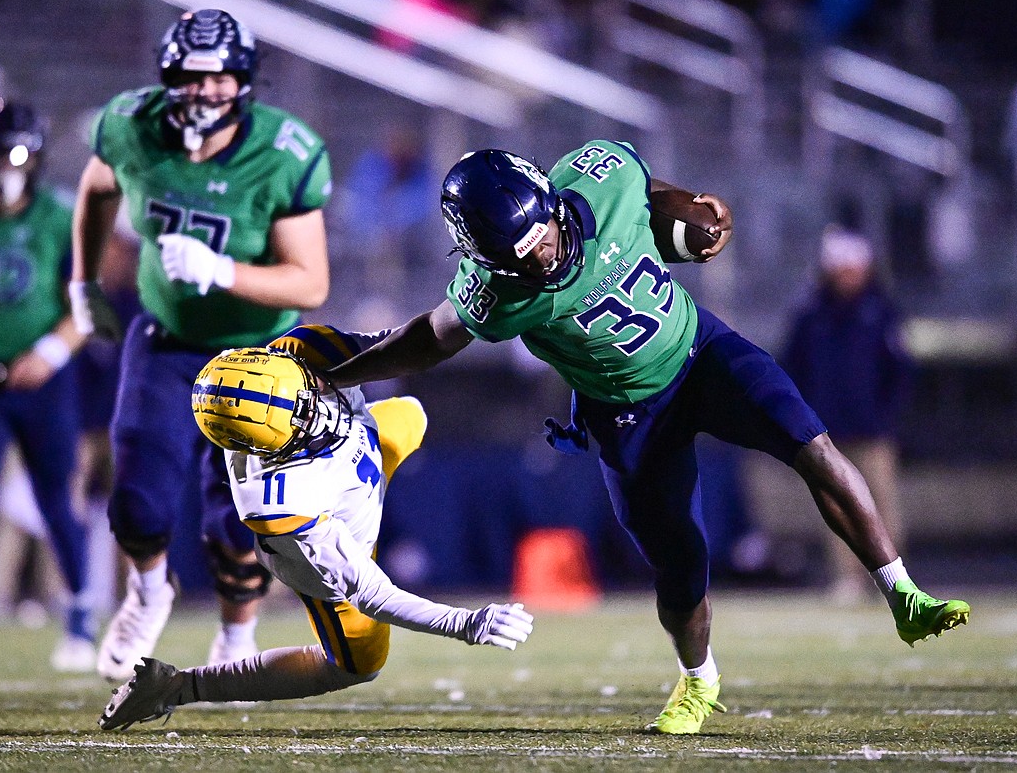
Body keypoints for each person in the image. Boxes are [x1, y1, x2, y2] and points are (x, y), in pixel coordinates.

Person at [308, 143, 970, 735]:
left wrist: (696, 213)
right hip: (626, 412)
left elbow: (649, 193)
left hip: (702, 352)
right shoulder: (494, 294)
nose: (544, 253)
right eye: (520, 253)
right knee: (680, 564)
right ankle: (699, 677)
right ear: (484, 258)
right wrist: (341, 371)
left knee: (813, 446)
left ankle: (903, 593)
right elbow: (428, 338)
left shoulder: (600, 177)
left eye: (544, 233)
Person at [68, 9, 333, 680]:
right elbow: (96, 186)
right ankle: (149, 590)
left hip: (260, 356)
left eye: (218, 77)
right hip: (167, 339)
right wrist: (83, 282)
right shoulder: (133, 126)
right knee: (135, 499)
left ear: (243, 81)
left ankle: (235, 635)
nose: (203, 90)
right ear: (167, 76)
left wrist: (224, 271)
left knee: (236, 522)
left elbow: (313, 280)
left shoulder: (281, 152)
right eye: (190, 75)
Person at [98, 335, 533, 729]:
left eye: (304, 391)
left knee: (411, 414)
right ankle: (180, 687)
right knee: (358, 666)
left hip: (361, 463)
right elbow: (373, 595)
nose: (315, 409)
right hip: (337, 537)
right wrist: (467, 623)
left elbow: (394, 346)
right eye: (299, 417)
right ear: (264, 445)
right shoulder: (278, 503)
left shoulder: (299, 350)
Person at [0, 98, 95, 671]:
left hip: (45, 379)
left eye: (17, 150)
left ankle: (79, 620)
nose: (8, 161)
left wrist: (50, 352)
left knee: (57, 499)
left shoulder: (59, 216)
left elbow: (86, 305)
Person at [781, 224, 914, 605]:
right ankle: (848, 579)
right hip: (827, 432)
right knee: (838, 506)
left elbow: (901, 370)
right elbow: (792, 367)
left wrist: (887, 415)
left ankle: (894, 580)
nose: (848, 276)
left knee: (883, 504)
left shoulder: (881, 312)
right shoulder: (810, 314)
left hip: (873, 430)